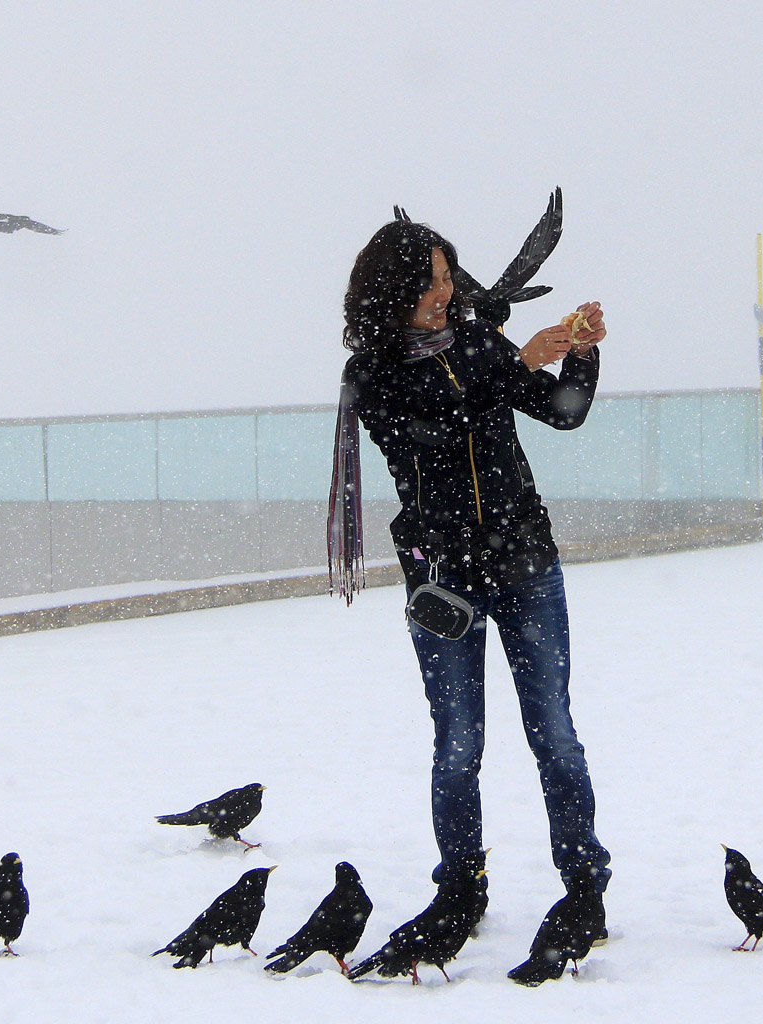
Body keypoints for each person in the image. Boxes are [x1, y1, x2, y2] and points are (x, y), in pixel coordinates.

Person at [328, 218, 611, 981]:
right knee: (458, 746)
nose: (445, 292)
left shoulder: (478, 343)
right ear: (394, 292)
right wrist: (518, 356)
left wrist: (579, 353)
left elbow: (562, 411)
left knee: (554, 731)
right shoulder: (373, 375)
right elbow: (437, 438)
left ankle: (585, 886)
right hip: (444, 580)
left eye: (449, 275)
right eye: (430, 281)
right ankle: (460, 888)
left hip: (525, 564)